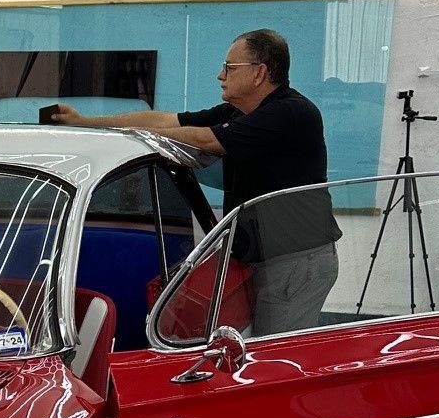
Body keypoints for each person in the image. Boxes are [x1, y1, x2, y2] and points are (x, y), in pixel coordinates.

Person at [49, 29, 338, 337]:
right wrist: (84, 123)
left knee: (272, 358)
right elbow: (166, 121)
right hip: (265, 256)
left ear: (259, 73)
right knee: (254, 346)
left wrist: (145, 137)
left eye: (229, 67)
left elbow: (206, 140)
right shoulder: (239, 111)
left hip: (294, 262)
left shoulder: (291, 112)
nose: (220, 75)